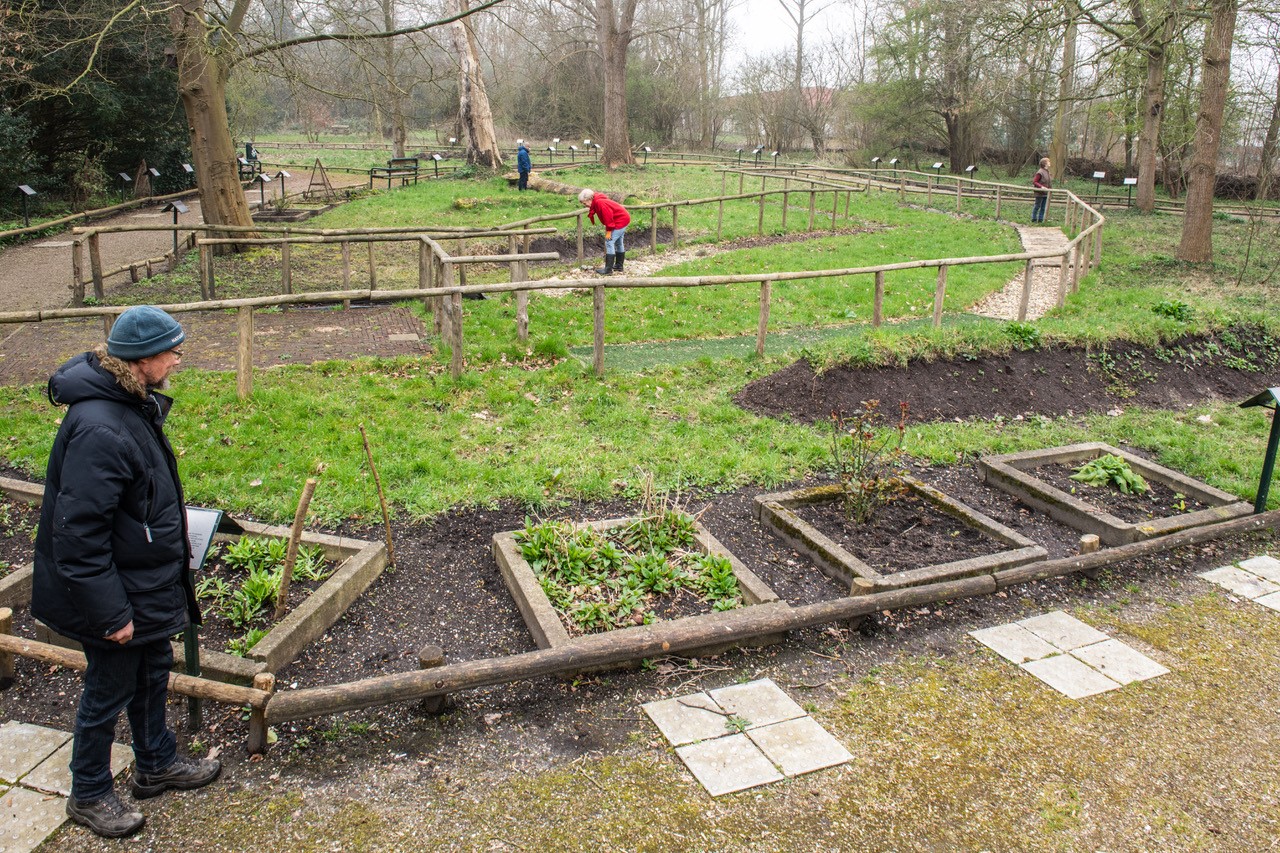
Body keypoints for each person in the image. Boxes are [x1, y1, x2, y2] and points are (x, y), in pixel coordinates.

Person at [32, 305, 220, 839]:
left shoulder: (129, 403)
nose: (178, 360)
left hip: (143, 579)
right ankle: (89, 791)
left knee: (152, 672)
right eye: (172, 352)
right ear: (142, 359)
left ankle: (155, 762)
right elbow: (79, 537)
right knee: (108, 689)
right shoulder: (100, 427)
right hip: (116, 592)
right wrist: (111, 614)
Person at [578, 188, 630, 275]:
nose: (585, 205)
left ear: (589, 199)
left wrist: (609, 231)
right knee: (619, 242)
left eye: (584, 203)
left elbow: (608, 216)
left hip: (620, 221)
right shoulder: (597, 200)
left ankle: (608, 270)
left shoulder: (600, 203)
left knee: (609, 242)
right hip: (623, 218)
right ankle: (619, 266)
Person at [1032, 157, 1052, 223]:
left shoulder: (1047, 172)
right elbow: (1034, 181)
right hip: (1039, 192)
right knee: (1037, 206)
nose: (1049, 162)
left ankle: (1040, 220)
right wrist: (1041, 187)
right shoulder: (1040, 172)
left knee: (1043, 207)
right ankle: (1034, 219)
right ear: (1045, 163)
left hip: (1046, 192)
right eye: (1048, 161)